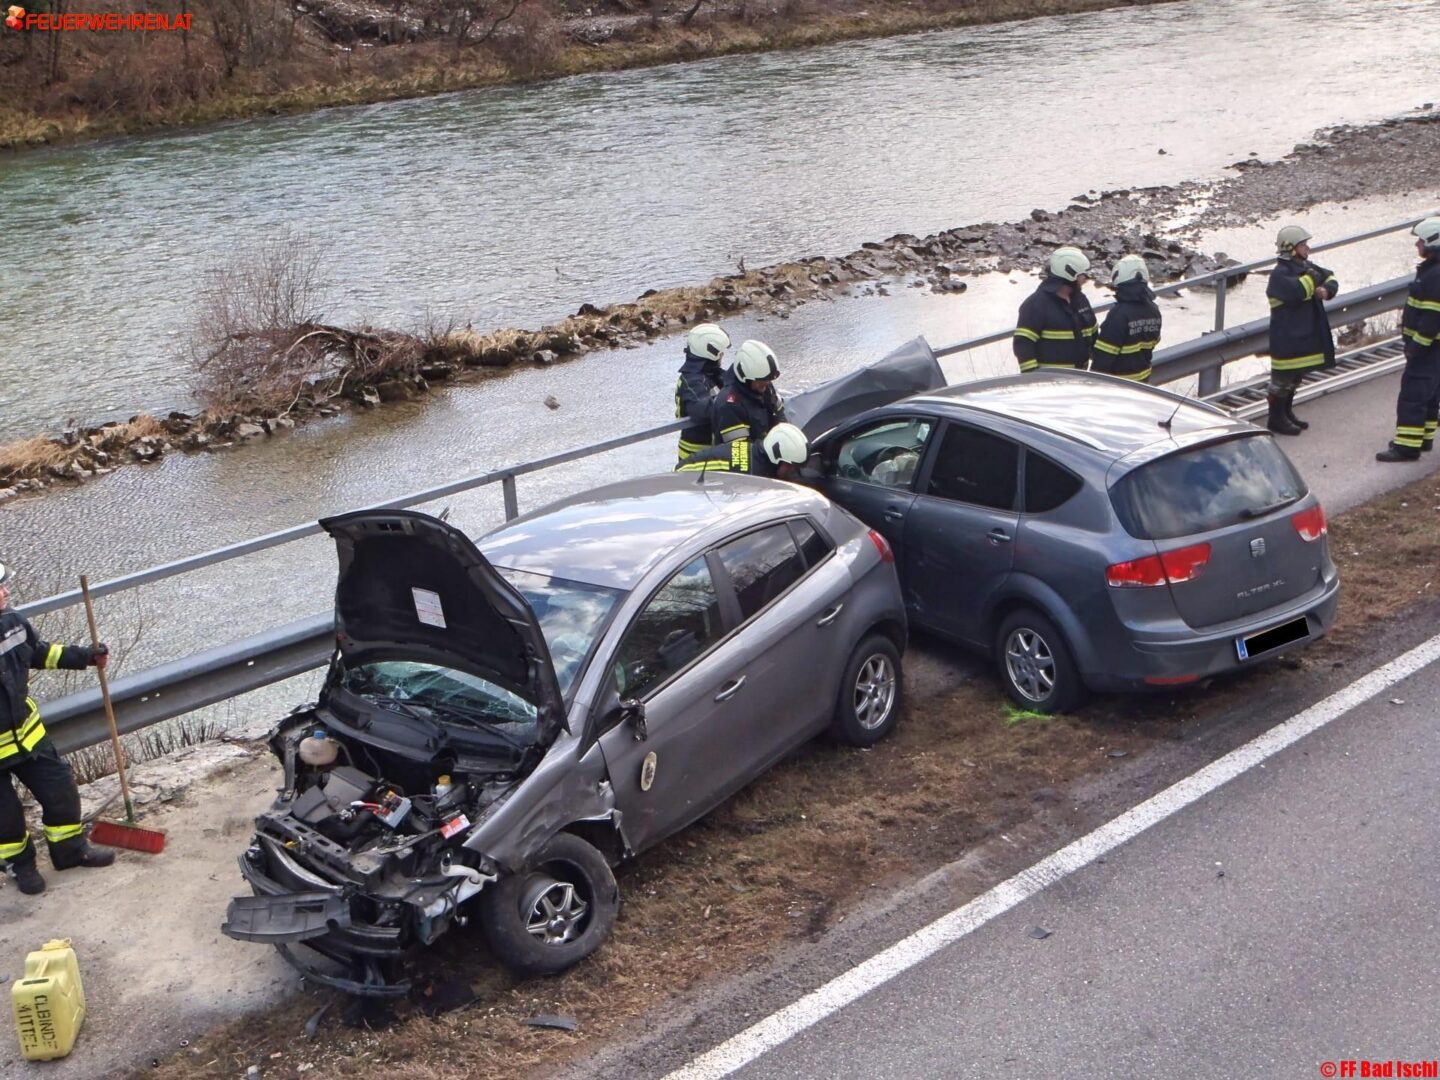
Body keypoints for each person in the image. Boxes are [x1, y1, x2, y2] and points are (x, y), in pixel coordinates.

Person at [0, 561, 114, 895]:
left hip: (28, 737)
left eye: (3, 585)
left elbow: (37, 653)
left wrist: (85, 657)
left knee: (61, 792)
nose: (4, 592)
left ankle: (69, 851)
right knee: (5, 817)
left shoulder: (12, 622)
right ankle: (19, 867)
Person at [1376, 218, 1440, 462]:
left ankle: (1406, 448)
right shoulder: (1433, 272)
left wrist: (1415, 348)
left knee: (1413, 396)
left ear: (1433, 243)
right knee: (1430, 394)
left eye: (1420, 240)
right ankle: (1423, 439)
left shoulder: (1434, 276)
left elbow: (1432, 318)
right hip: (1433, 349)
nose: (1417, 244)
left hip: (1427, 348)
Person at [1265, 225, 1338, 436]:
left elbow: (1330, 277)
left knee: (1294, 379)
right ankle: (1276, 419)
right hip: (1286, 338)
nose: (1308, 248)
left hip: (1301, 335)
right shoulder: (1279, 275)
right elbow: (1299, 291)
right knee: (1281, 381)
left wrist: (1326, 289)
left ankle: (1286, 414)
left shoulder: (1304, 267)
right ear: (1290, 248)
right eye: (1303, 245)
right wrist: (1314, 279)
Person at [1013, 246, 1098, 373]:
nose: (1086, 278)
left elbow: (1095, 336)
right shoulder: (1036, 304)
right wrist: (1032, 379)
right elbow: (1023, 344)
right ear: (1070, 274)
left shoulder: (1081, 300)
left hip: (1081, 380)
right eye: (1082, 275)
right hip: (1051, 384)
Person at [1091, 254, 1162, 382]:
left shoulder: (1119, 315)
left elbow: (1103, 358)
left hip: (1118, 385)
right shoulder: (1154, 310)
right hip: (1143, 380)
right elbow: (1154, 341)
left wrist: (1091, 385)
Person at [673, 323, 732, 463]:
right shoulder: (691, 381)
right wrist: (733, 399)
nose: (722, 357)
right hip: (695, 454)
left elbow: (733, 383)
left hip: (712, 450)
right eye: (721, 354)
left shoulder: (711, 374)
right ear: (710, 353)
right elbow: (702, 409)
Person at [711, 339, 786, 446]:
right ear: (744, 377)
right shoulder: (729, 405)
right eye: (761, 381)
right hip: (748, 459)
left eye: (768, 380)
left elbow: (780, 417)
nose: (766, 384)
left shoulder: (762, 381)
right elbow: (739, 452)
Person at [676, 421, 809, 479]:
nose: (792, 471)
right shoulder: (754, 475)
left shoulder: (755, 451)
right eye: (790, 466)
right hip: (682, 481)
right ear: (777, 459)